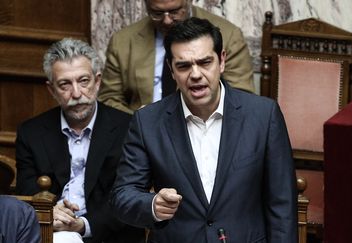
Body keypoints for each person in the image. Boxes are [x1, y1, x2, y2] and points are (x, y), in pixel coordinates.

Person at [110, 17, 298, 242]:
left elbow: (282, 205)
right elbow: (122, 196)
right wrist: (152, 205)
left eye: (204, 62)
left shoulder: (263, 116)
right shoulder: (147, 121)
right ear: (171, 70)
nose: (196, 74)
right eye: (184, 66)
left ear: (222, 61)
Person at [15, 38, 145, 243]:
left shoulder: (130, 128)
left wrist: (83, 225)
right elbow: (28, 190)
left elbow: (130, 196)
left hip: (109, 236)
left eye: (84, 81)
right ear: (51, 90)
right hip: (52, 234)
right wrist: (52, 213)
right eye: (65, 84)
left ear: (97, 81)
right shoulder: (31, 132)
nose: (76, 93)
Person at [98, 0, 255, 114]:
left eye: (175, 11)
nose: (166, 20)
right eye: (157, 13)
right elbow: (109, 98)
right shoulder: (123, 41)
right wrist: (141, 121)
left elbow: (241, 98)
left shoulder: (228, 35)